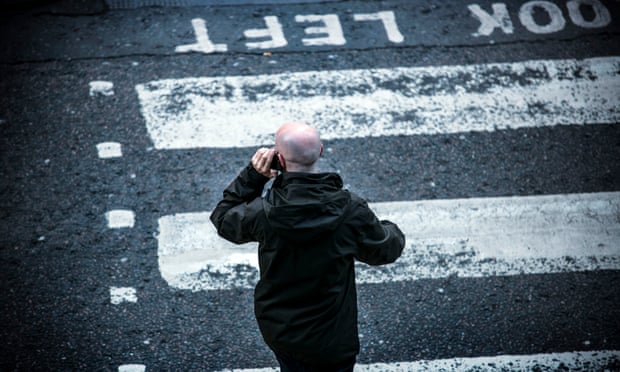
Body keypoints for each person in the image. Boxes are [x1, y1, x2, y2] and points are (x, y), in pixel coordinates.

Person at [210, 122, 405, 372]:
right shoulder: (350, 210)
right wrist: (386, 227)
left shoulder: (262, 213)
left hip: (281, 329)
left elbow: (223, 218)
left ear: (278, 159)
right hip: (332, 338)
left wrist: (253, 176)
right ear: (321, 150)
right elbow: (385, 249)